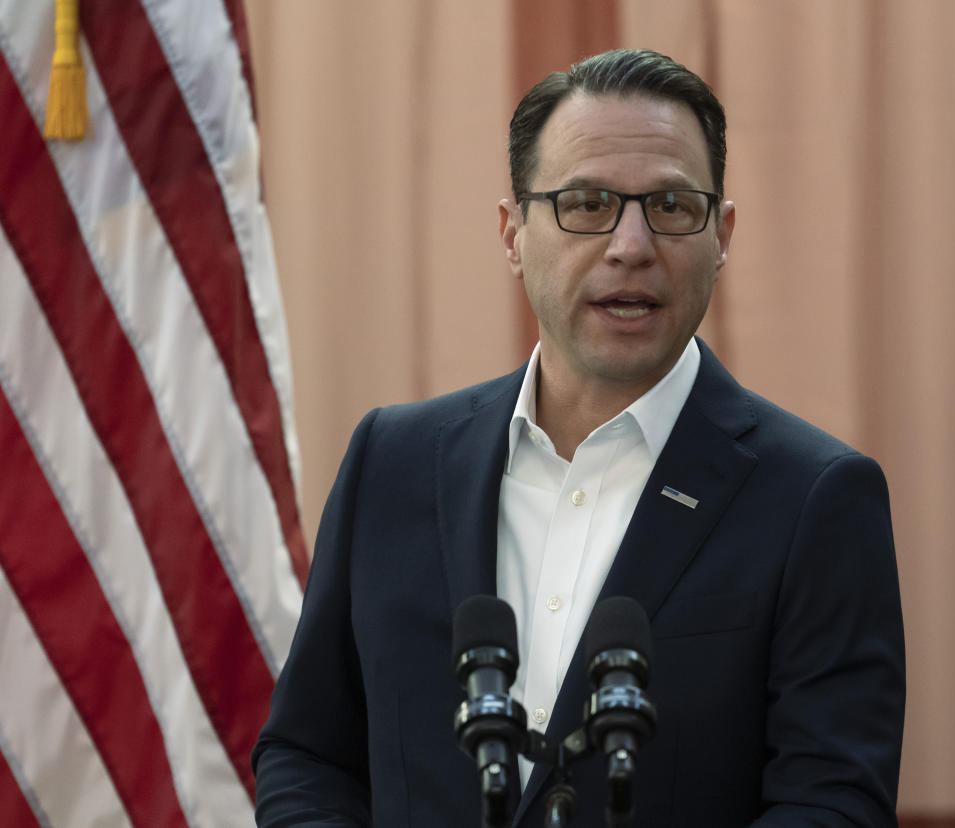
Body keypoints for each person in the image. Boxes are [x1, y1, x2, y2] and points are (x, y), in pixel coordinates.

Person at [253, 48, 905, 827]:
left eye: (670, 205)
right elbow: (308, 755)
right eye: (587, 203)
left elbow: (832, 805)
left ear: (722, 234)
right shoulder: (391, 463)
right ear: (512, 233)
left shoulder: (815, 498)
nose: (631, 245)